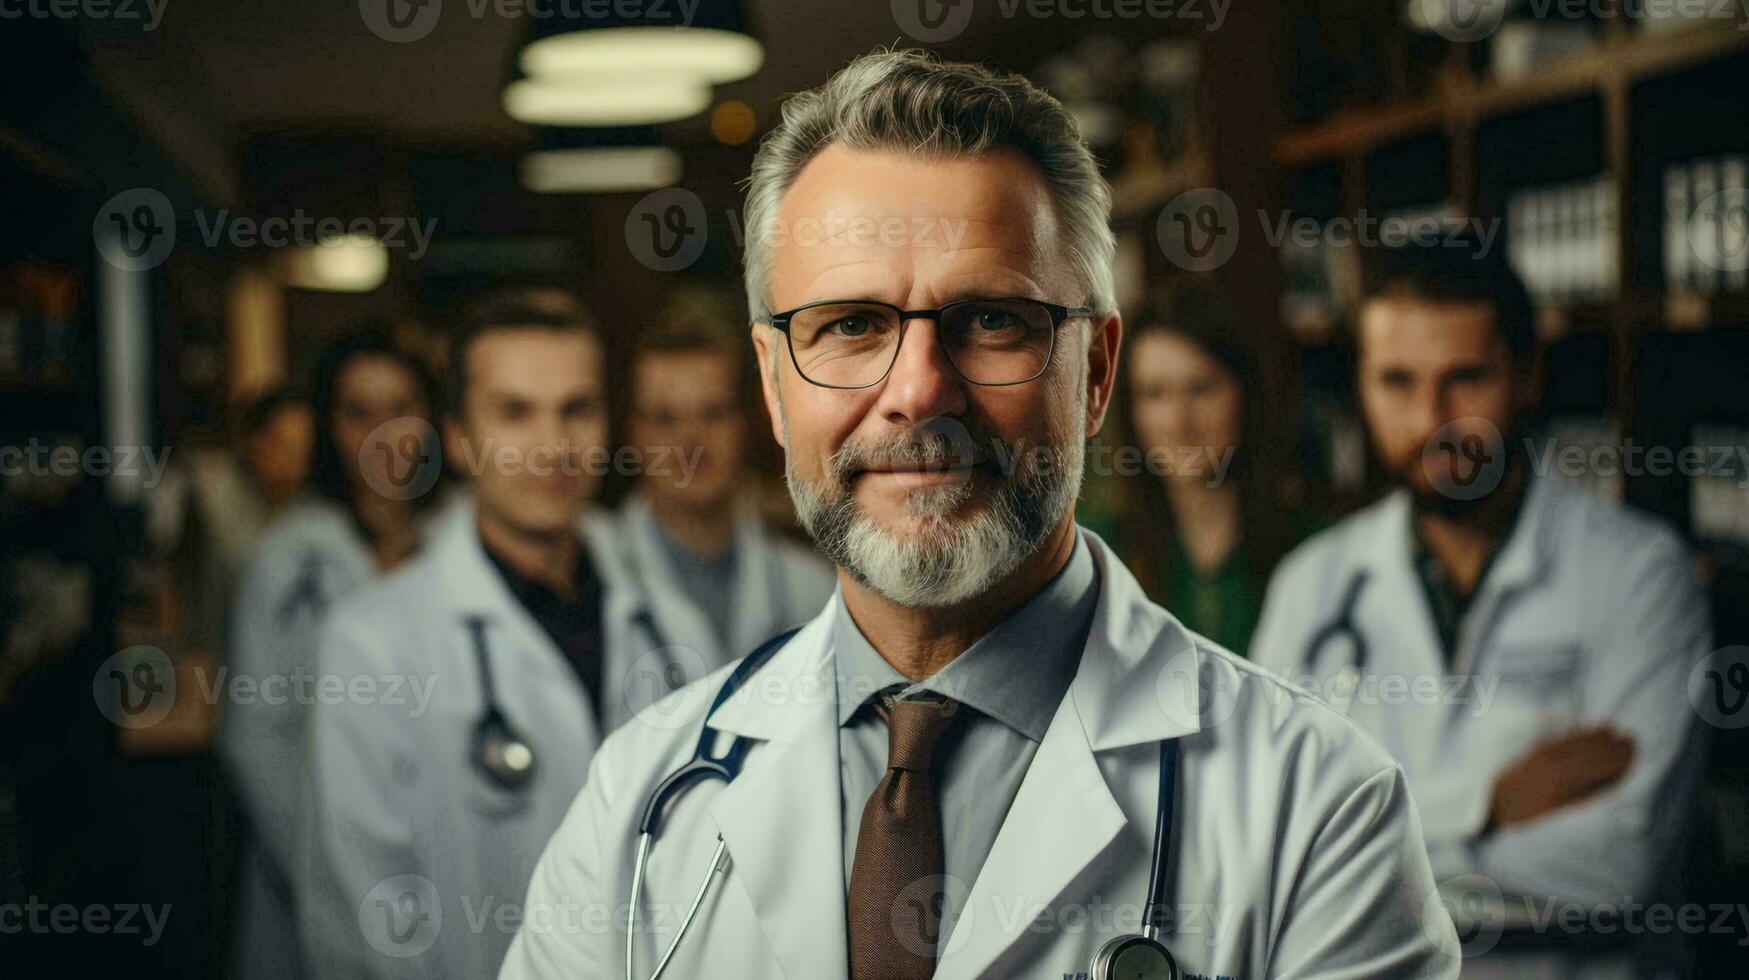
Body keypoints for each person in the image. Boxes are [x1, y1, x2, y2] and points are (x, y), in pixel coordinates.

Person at [500, 49, 1455, 980]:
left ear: (1093, 373)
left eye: (993, 320)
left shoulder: (1320, 806)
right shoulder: (640, 801)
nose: (918, 391)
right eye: (849, 325)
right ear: (773, 382)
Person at [1251, 239, 1710, 977]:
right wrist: (1485, 804)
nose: (1432, 419)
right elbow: (1265, 842)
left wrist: (1354, 847)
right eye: (1396, 382)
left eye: (1463, 378)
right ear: (1361, 387)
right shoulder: (1313, 583)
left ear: (1526, 375)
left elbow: (1620, 867)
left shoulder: (1637, 575)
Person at [295, 298, 682, 979]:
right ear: (461, 436)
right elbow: (364, 921)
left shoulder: (668, 620)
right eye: (514, 412)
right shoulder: (372, 644)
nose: (553, 445)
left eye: (575, 409)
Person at [221, 330, 445, 980]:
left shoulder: (467, 543)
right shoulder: (291, 557)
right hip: (313, 879)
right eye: (358, 412)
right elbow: (256, 739)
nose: (382, 432)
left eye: (400, 406)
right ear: (327, 426)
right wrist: (340, 878)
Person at [1091, 279, 1321, 654]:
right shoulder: (1099, 559)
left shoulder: (1317, 550)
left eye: (1201, 388)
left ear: (1245, 395)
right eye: (1155, 394)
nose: (1180, 421)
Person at [616, 284, 833, 671]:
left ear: (748, 422)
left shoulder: (814, 588)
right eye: (665, 418)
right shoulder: (597, 577)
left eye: (713, 413)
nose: (691, 441)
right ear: (632, 432)